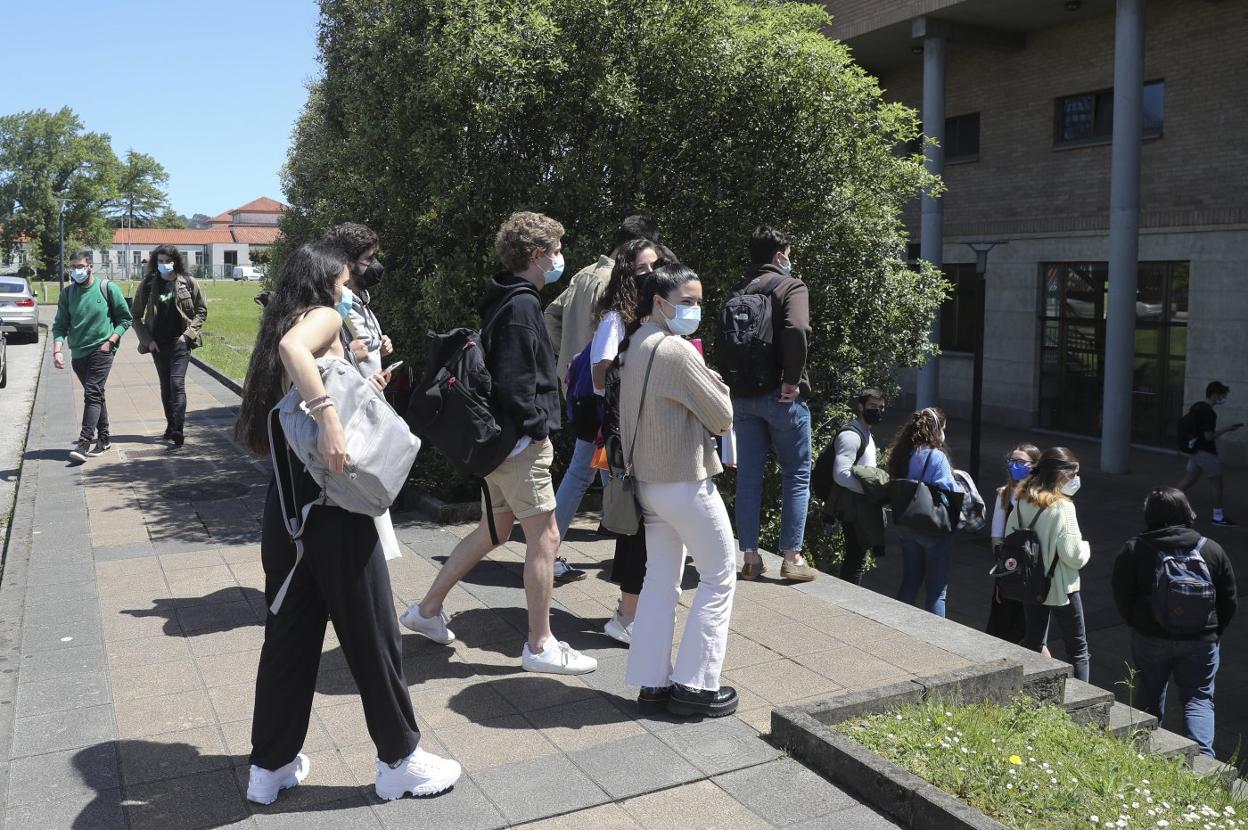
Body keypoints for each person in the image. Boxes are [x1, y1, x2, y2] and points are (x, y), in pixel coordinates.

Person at [233, 243, 459, 804]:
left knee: (290, 635)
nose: (350, 285)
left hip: (287, 512)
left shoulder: (279, 321)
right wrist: (330, 417)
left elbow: (292, 359)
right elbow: (298, 351)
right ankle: (400, 760)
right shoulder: (323, 316)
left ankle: (271, 766)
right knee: (373, 634)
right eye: (345, 277)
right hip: (336, 509)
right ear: (329, 281)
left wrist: (350, 381)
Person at [401, 212, 597, 675]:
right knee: (547, 538)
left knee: (495, 529)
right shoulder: (522, 306)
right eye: (553, 252)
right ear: (536, 256)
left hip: (501, 445)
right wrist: (535, 426)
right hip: (518, 445)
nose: (558, 260)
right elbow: (515, 381)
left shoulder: (505, 299)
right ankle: (540, 644)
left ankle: (425, 611)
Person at [619, 262, 738, 718]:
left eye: (698, 302)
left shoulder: (636, 345)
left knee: (659, 582)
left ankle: (653, 683)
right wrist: (716, 386)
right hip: (685, 484)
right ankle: (695, 686)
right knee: (719, 576)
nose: (695, 309)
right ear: (660, 302)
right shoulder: (678, 351)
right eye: (688, 302)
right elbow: (722, 416)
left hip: (646, 484)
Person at [545, 215, 661, 584]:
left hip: (580, 387)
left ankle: (625, 553)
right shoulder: (618, 282)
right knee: (591, 470)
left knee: (603, 470)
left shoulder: (583, 274)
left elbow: (551, 315)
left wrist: (566, 359)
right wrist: (591, 363)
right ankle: (553, 553)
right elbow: (608, 349)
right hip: (602, 391)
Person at [1112, 488, 1236, 757]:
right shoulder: (1212, 549)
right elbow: (1229, 600)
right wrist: (1214, 631)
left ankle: (1142, 752)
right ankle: (1204, 763)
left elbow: (1122, 595)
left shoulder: (1134, 549)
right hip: (1201, 642)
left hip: (1150, 638)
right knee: (1199, 699)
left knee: (1150, 691)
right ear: (1186, 511)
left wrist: (1137, 623)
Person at [591, 238, 669, 643]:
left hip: (658, 436)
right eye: (642, 269)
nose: (651, 274)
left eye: (656, 266)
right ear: (627, 274)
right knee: (635, 528)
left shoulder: (660, 317)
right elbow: (599, 376)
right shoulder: (616, 320)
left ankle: (637, 611)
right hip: (629, 440)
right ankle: (625, 615)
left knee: (657, 528)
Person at [729, 226, 816, 583]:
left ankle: (750, 558)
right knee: (796, 475)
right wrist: (792, 379)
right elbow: (797, 329)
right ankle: (792, 558)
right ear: (781, 255)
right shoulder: (790, 286)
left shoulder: (738, 290)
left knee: (748, 477)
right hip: (780, 397)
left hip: (743, 398)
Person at [1005, 447, 1091, 681]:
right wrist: (1086, 547)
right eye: (1073, 474)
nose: (1076, 480)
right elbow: (1073, 555)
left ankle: (1030, 692)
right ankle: (1083, 700)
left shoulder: (1023, 499)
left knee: (1034, 642)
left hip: (1030, 583)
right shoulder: (1063, 507)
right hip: (1061, 586)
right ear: (1060, 475)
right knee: (1078, 649)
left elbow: (1009, 535)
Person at [52, 250, 132, 463]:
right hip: (78, 353)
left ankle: (84, 442)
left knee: (92, 393)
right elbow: (60, 325)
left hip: (102, 349)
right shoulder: (67, 294)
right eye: (73, 267)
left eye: (80, 266)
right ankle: (104, 438)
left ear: (90, 267)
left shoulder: (107, 288)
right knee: (97, 394)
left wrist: (111, 341)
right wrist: (57, 350)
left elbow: (125, 319)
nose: (76, 271)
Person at [129, 245, 208, 448]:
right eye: (160, 261)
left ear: (176, 261)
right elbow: (135, 315)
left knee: (176, 384)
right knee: (166, 387)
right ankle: (171, 424)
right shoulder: (148, 284)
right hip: (158, 345)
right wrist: (148, 341)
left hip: (180, 343)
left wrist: (188, 335)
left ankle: (178, 429)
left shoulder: (188, 282)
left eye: (167, 261)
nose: (164, 265)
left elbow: (201, 310)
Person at [888, 408, 960, 616]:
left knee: (910, 581)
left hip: (906, 524)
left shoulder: (902, 453)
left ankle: (896, 625)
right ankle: (936, 641)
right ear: (937, 429)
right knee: (937, 590)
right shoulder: (936, 456)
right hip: (932, 527)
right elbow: (948, 490)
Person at [322, 222, 394, 383]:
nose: (376, 265)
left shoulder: (362, 299)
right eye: (369, 258)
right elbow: (314, 362)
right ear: (348, 263)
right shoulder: (330, 307)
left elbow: (363, 353)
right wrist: (349, 356)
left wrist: (378, 349)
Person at [829, 389, 887, 585]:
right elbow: (841, 474)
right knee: (856, 555)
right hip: (854, 506)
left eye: (881, 408)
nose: (878, 411)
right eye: (872, 407)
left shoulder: (867, 434)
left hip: (860, 505)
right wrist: (872, 493)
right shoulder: (851, 436)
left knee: (857, 555)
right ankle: (848, 601)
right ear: (860, 407)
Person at [1177, 381, 1241, 527]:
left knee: (1188, 481)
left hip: (1195, 451)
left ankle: (1165, 504)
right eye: (1223, 395)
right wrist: (1227, 429)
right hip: (1205, 452)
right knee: (1217, 482)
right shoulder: (1209, 412)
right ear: (1215, 395)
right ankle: (1218, 517)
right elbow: (1208, 436)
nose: (1223, 398)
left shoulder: (1197, 406)